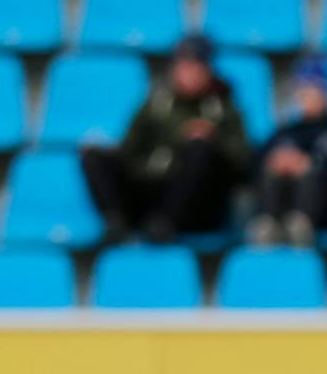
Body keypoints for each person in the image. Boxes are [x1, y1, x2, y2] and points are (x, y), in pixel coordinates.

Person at [81, 35, 252, 243]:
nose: (189, 73)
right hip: (152, 189)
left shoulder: (224, 109)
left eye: (196, 66)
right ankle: (117, 223)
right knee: (93, 155)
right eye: (183, 65)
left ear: (208, 70)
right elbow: (128, 150)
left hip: (196, 204)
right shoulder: (156, 103)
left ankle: (166, 224)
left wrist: (213, 139)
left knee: (199, 150)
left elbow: (244, 162)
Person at [247, 55, 327, 247]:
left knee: (311, 172)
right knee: (271, 170)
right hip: (279, 205)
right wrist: (276, 164)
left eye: (314, 90)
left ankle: (300, 225)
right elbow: (251, 167)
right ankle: (268, 225)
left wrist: (312, 165)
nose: (308, 97)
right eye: (303, 91)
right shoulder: (282, 134)